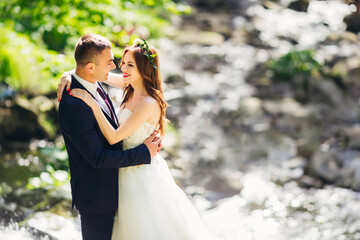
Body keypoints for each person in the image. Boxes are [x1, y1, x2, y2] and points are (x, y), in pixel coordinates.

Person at [58, 38, 215, 240]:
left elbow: (114, 137)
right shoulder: (127, 85)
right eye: (122, 62)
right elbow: (95, 74)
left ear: (144, 69)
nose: (119, 67)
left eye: (128, 64)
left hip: (139, 176)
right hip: (115, 182)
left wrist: (92, 104)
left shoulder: (148, 102)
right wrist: (69, 74)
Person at [58, 33, 161, 240]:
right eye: (110, 62)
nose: (115, 67)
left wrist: (70, 72)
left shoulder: (97, 82)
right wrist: (144, 153)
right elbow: (98, 158)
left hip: (126, 187)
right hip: (97, 198)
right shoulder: (74, 104)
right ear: (90, 67)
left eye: (125, 64)